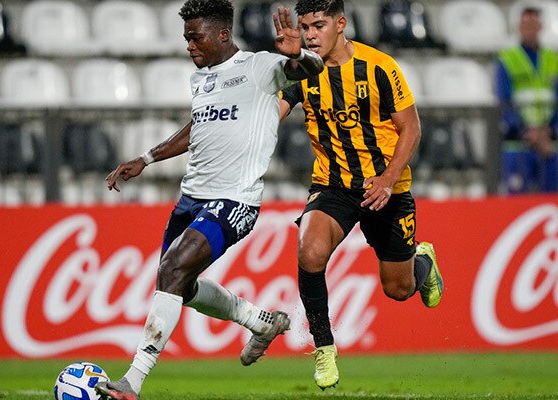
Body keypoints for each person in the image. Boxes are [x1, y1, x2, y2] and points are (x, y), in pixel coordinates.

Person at [95, 1, 324, 399]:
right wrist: (146, 158)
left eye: (194, 36)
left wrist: (298, 54)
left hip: (234, 201)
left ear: (222, 34)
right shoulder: (201, 79)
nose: (189, 45)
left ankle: (132, 382)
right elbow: (197, 124)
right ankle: (260, 321)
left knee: (172, 271)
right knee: (178, 287)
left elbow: (307, 70)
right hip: (191, 199)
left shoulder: (259, 67)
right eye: (186, 38)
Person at [278, 0, 443, 390]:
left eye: (318, 25)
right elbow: (273, 112)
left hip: (385, 186)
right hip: (333, 185)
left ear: (340, 24)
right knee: (310, 251)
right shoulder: (300, 70)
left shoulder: (379, 67)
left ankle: (423, 261)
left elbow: (412, 129)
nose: (311, 35)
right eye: (305, 27)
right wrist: (279, 70)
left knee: (398, 289)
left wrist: (387, 179)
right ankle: (323, 348)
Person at [496, 7, 558, 193]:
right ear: (518, 28)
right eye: (525, 24)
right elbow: (504, 101)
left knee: (550, 200)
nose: (529, 28)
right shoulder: (507, 59)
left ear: (540, 26)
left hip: (547, 144)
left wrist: (547, 131)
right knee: (517, 205)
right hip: (518, 143)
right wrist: (527, 131)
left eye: (533, 24)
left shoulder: (552, 58)